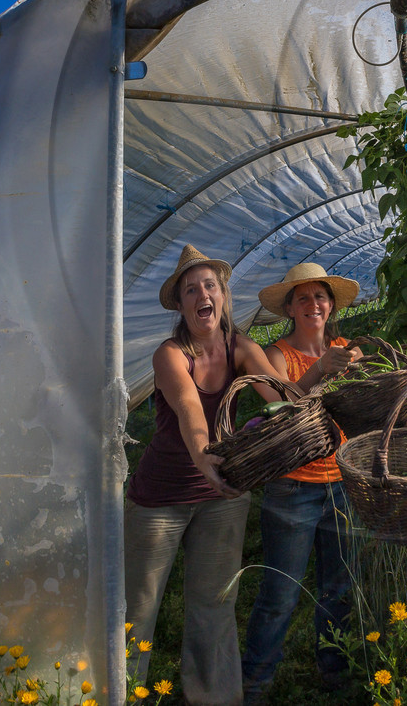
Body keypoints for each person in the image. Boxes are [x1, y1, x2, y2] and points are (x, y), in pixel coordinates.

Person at [123, 244, 291, 706]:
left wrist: (319, 396)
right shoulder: (170, 354)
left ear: (223, 296)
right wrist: (204, 456)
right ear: (180, 305)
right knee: (136, 612)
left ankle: (215, 698)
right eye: (190, 289)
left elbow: (280, 395)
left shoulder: (242, 347)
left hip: (224, 496)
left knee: (214, 607)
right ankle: (119, 695)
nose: (203, 294)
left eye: (210, 286)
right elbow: (189, 407)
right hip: (159, 499)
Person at [241, 262, 364, 705]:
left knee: (339, 585)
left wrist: (352, 369)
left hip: (342, 484)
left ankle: (334, 669)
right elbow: (282, 413)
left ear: (330, 306)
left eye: (320, 297)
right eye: (304, 298)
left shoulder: (346, 348)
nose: (314, 304)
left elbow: (361, 406)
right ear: (290, 309)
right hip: (293, 487)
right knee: (280, 591)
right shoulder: (277, 356)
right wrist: (318, 372)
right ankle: (255, 683)